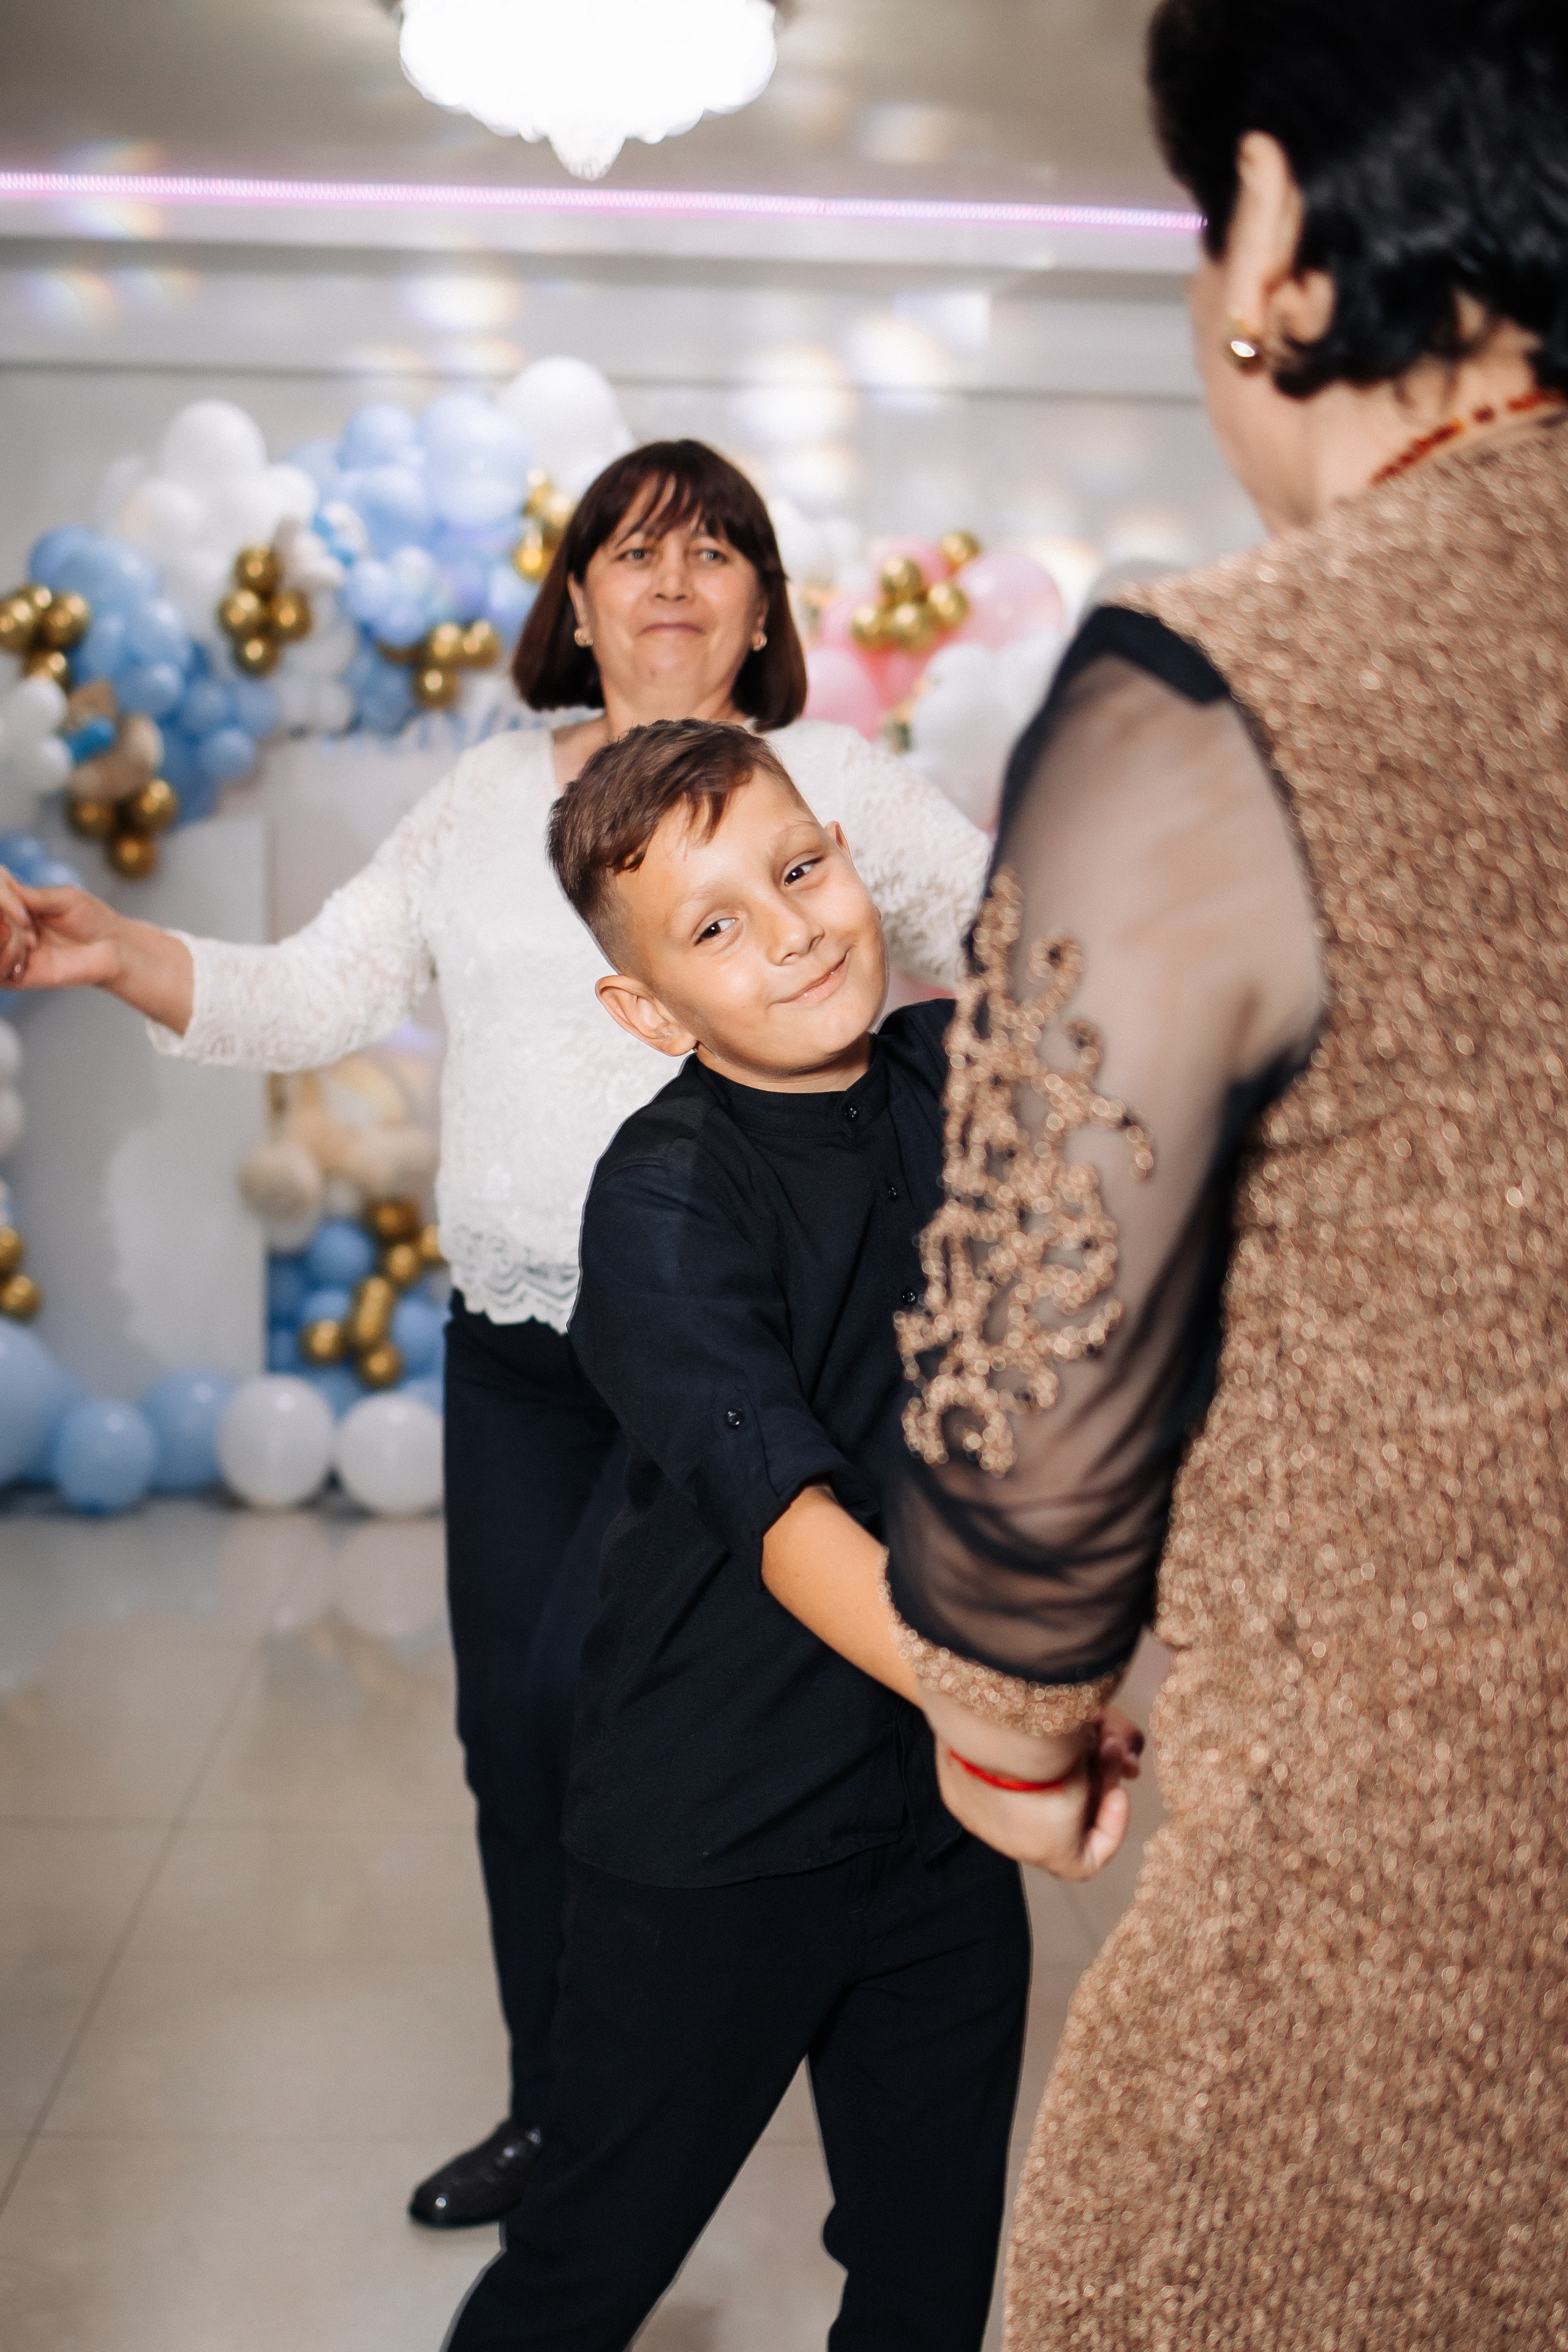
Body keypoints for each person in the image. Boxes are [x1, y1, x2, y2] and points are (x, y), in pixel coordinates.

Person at [0, 440, 990, 2230]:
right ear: (579, 601)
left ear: (764, 605)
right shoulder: (472, 804)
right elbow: (314, 987)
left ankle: (886, 2166)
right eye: (632, 553)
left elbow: (1020, 952)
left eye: (715, 553)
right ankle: (574, 2120)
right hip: (537, 1363)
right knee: (530, 1737)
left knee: (843, 1738)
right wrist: (111, 950)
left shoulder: (831, 779)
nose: (673, 581)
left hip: (782, 1366)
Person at [883, 1, 1568, 2343]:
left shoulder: (1220, 687)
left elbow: (1032, 1361)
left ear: (1273, 225)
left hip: (1403, 2004)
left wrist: (1012, 1729)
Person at [443, 716, 1061, 2352]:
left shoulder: (959, 1079)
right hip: (709, 1832)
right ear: (646, 1008)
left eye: (802, 867)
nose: (792, 928)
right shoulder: (659, 1204)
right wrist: (997, 1708)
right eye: (716, 925)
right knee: (588, 2265)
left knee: (931, 2274)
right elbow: (784, 1517)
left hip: (931, 1830)